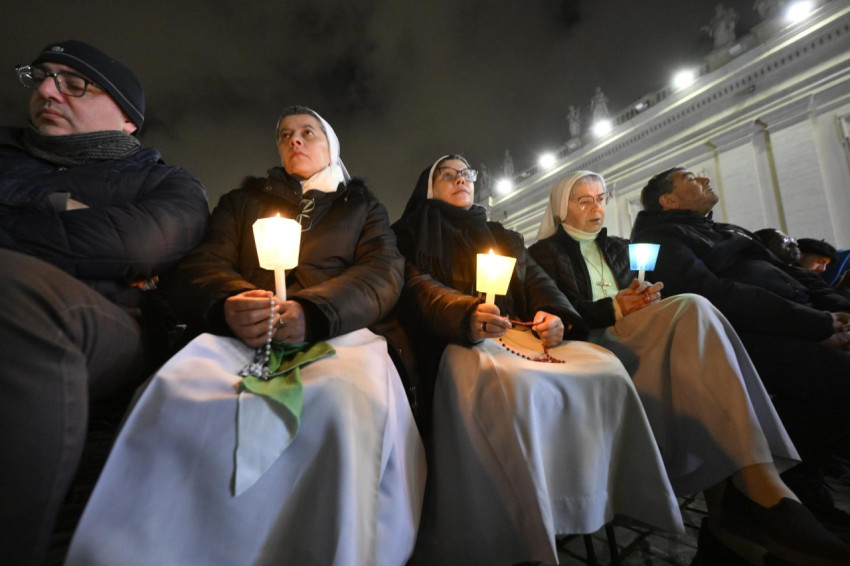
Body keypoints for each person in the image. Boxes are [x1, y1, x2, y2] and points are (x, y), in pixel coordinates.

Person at [66, 106, 425, 565]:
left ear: (330, 145)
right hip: (245, 330)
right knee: (181, 392)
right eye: (285, 134)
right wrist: (231, 301)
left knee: (340, 403)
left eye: (307, 132)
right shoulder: (241, 203)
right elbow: (202, 264)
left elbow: (382, 273)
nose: (295, 140)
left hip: (338, 331)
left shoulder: (362, 208)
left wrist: (315, 311)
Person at [530, 171, 850, 564]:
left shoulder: (621, 247)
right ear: (560, 209)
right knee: (693, 306)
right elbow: (560, 311)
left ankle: (746, 498)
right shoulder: (542, 253)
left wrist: (642, 296)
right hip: (591, 345)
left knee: (693, 327)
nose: (597, 208)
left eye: (601, 198)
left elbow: (640, 289)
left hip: (642, 334)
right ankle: (752, 495)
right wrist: (613, 307)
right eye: (584, 201)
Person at [394, 155, 683, 565]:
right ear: (428, 186)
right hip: (457, 341)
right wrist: (465, 314)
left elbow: (536, 282)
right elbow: (417, 287)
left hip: (520, 334)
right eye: (448, 175)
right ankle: (523, 518)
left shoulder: (502, 236)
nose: (461, 180)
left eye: (467, 174)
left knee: (605, 367)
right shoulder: (408, 235)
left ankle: (605, 491)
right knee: (511, 386)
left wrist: (555, 315)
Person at [0, 40, 209, 566]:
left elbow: (138, 246)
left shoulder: (167, 182)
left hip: (107, 318)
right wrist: (53, 204)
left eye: (74, 85)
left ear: (127, 119)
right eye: (41, 77)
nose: (48, 92)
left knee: (16, 293)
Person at [633, 167, 850, 537]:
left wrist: (839, 311)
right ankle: (771, 494)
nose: (704, 178)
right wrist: (818, 325)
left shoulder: (727, 230)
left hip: (798, 321)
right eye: (691, 178)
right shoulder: (658, 239)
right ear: (668, 199)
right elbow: (714, 294)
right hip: (742, 338)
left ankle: (798, 484)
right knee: (837, 377)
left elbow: (793, 274)